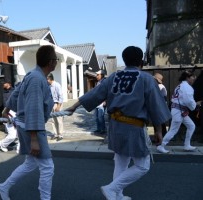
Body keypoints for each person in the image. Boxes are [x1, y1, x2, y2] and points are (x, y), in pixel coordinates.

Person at [65, 46, 171, 200]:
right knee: (143, 165)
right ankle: (112, 188)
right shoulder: (146, 78)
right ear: (141, 61)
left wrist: (73, 107)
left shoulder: (113, 76)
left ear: (125, 60)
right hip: (133, 127)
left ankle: (117, 195)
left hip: (115, 126)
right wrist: (159, 131)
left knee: (121, 163)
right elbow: (155, 107)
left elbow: (94, 94)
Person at [0, 45, 57, 200]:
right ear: (51, 62)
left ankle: (4, 186)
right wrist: (35, 139)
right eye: (56, 59)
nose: (56, 62)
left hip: (25, 125)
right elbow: (34, 109)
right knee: (47, 167)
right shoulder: (37, 79)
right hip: (31, 127)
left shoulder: (33, 74)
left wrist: (6, 108)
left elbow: (16, 92)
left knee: (30, 163)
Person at [157, 70, 202, 153]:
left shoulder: (180, 86)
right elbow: (188, 101)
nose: (194, 78)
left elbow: (185, 100)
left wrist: (194, 104)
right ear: (187, 78)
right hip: (179, 111)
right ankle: (161, 145)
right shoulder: (187, 87)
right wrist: (196, 104)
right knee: (173, 130)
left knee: (191, 126)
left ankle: (187, 145)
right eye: (192, 77)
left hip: (179, 110)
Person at [47, 72, 64, 141]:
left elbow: (61, 96)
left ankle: (60, 134)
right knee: (53, 120)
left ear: (49, 79)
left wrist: (59, 106)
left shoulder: (57, 85)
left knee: (59, 120)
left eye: (47, 79)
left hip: (57, 103)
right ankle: (55, 133)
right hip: (51, 103)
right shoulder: (49, 86)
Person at [152, 73, 168, 145]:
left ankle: (161, 139)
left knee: (160, 123)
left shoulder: (160, 86)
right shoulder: (157, 86)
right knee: (157, 123)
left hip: (159, 106)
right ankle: (158, 138)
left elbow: (162, 97)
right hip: (159, 106)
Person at [93, 70, 106, 134]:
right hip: (97, 102)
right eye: (97, 75)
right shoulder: (98, 82)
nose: (96, 76)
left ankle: (103, 129)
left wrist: (105, 101)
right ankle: (98, 128)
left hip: (101, 102)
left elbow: (107, 92)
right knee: (97, 117)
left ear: (102, 75)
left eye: (98, 75)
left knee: (100, 117)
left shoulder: (104, 82)